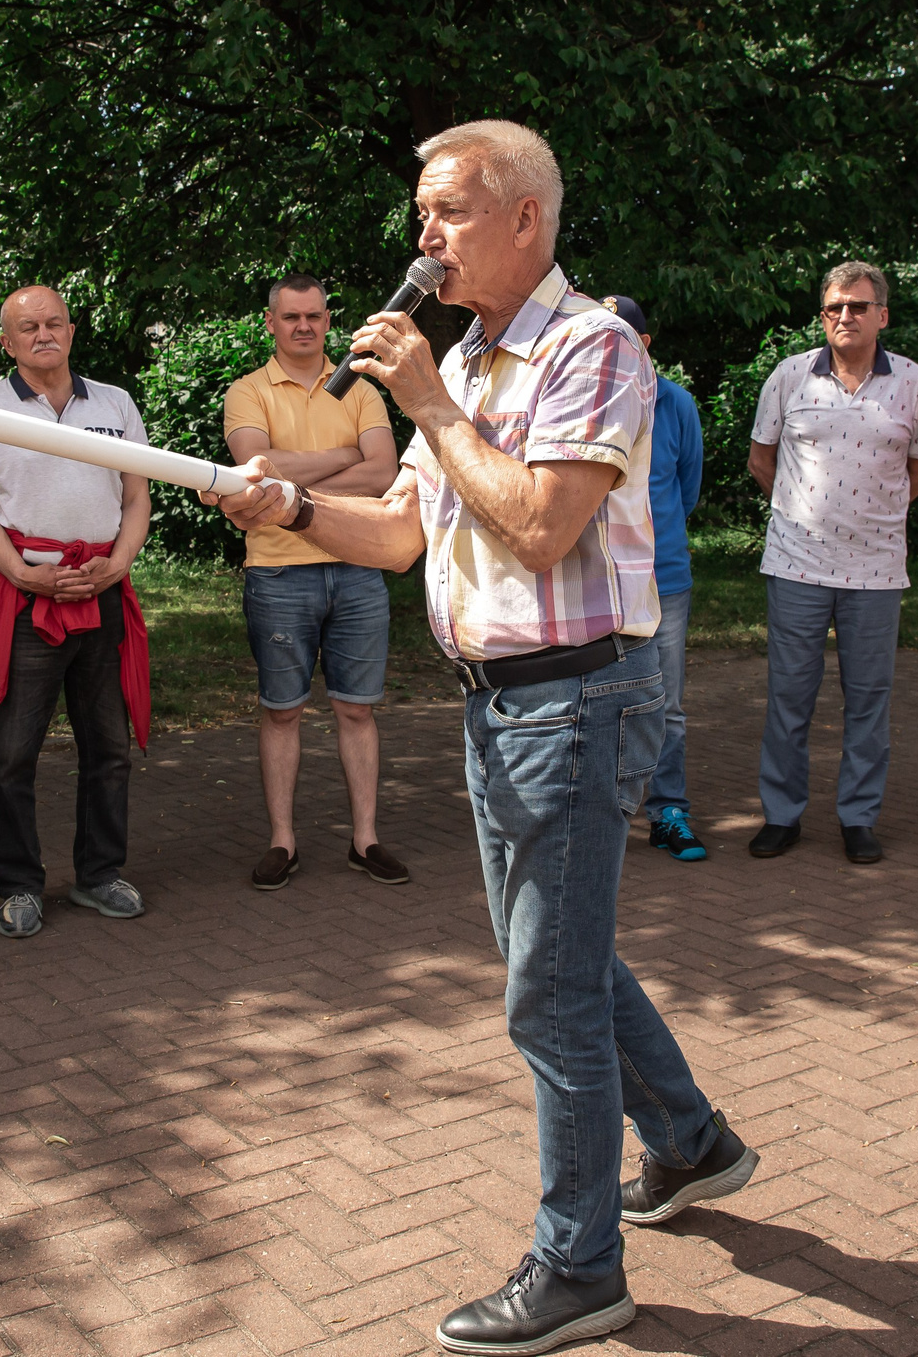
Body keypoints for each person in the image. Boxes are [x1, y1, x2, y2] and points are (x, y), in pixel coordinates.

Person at [206, 121, 755, 1356]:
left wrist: (423, 400)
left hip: (576, 699)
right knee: (555, 959)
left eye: (448, 210)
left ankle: (580, 1268)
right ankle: (689, 1141)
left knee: (546, 995)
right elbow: (403, 532)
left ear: (524, 219)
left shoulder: (590, 348)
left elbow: (543, 526)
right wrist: (291, 506)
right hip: (501, 702)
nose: (425, 235)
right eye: (422, 213)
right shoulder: (465, 361)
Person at [0, 286, 153, 940]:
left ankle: (99, 873)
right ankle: (18, 885)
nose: (43, 334)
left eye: (53, 323)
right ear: (7, 341)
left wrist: (118, 563)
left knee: (109, 746)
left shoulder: (115, 403)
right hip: (27, 596)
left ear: (70, 331)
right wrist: (23, 574)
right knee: (13, 752)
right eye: (27, 327)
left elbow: (136, 496)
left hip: (102, 587)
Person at [743, 262, 918, 864]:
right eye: (834, 307)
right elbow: (760, 460)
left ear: (882, 315)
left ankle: (859, 819)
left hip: (877, 571)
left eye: (857, 306)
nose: (845, 316)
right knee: (788, 698)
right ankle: (782, 816)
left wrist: (873, 516)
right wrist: (802, 514)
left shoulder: (912, 381)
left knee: (868, 700)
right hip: (796, 565)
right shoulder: (790, 376)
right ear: (823, 315)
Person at [223, 273, 406, 891]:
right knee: (282, 713)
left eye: (314, 316)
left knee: (356, 709)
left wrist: (291, 483)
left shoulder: (363, 388)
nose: (304, 326)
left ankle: (365, 840)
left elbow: (384, 475)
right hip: (278, 571)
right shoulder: (247, 391)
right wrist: (347, 457)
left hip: (359, 564)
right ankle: (283, 842)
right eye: (291, 316)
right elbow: (255, 470)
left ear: (328, 321)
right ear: (270, 322)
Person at [601, 295, 707, 864]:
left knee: (665, 703)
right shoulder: (581, 396)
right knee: (597, 701)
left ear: (644, 344)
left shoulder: (677, 403)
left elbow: (685, 491)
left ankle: (668, 811)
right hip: (597, 580)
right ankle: (601, 813)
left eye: (623, 336)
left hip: (663, 578)